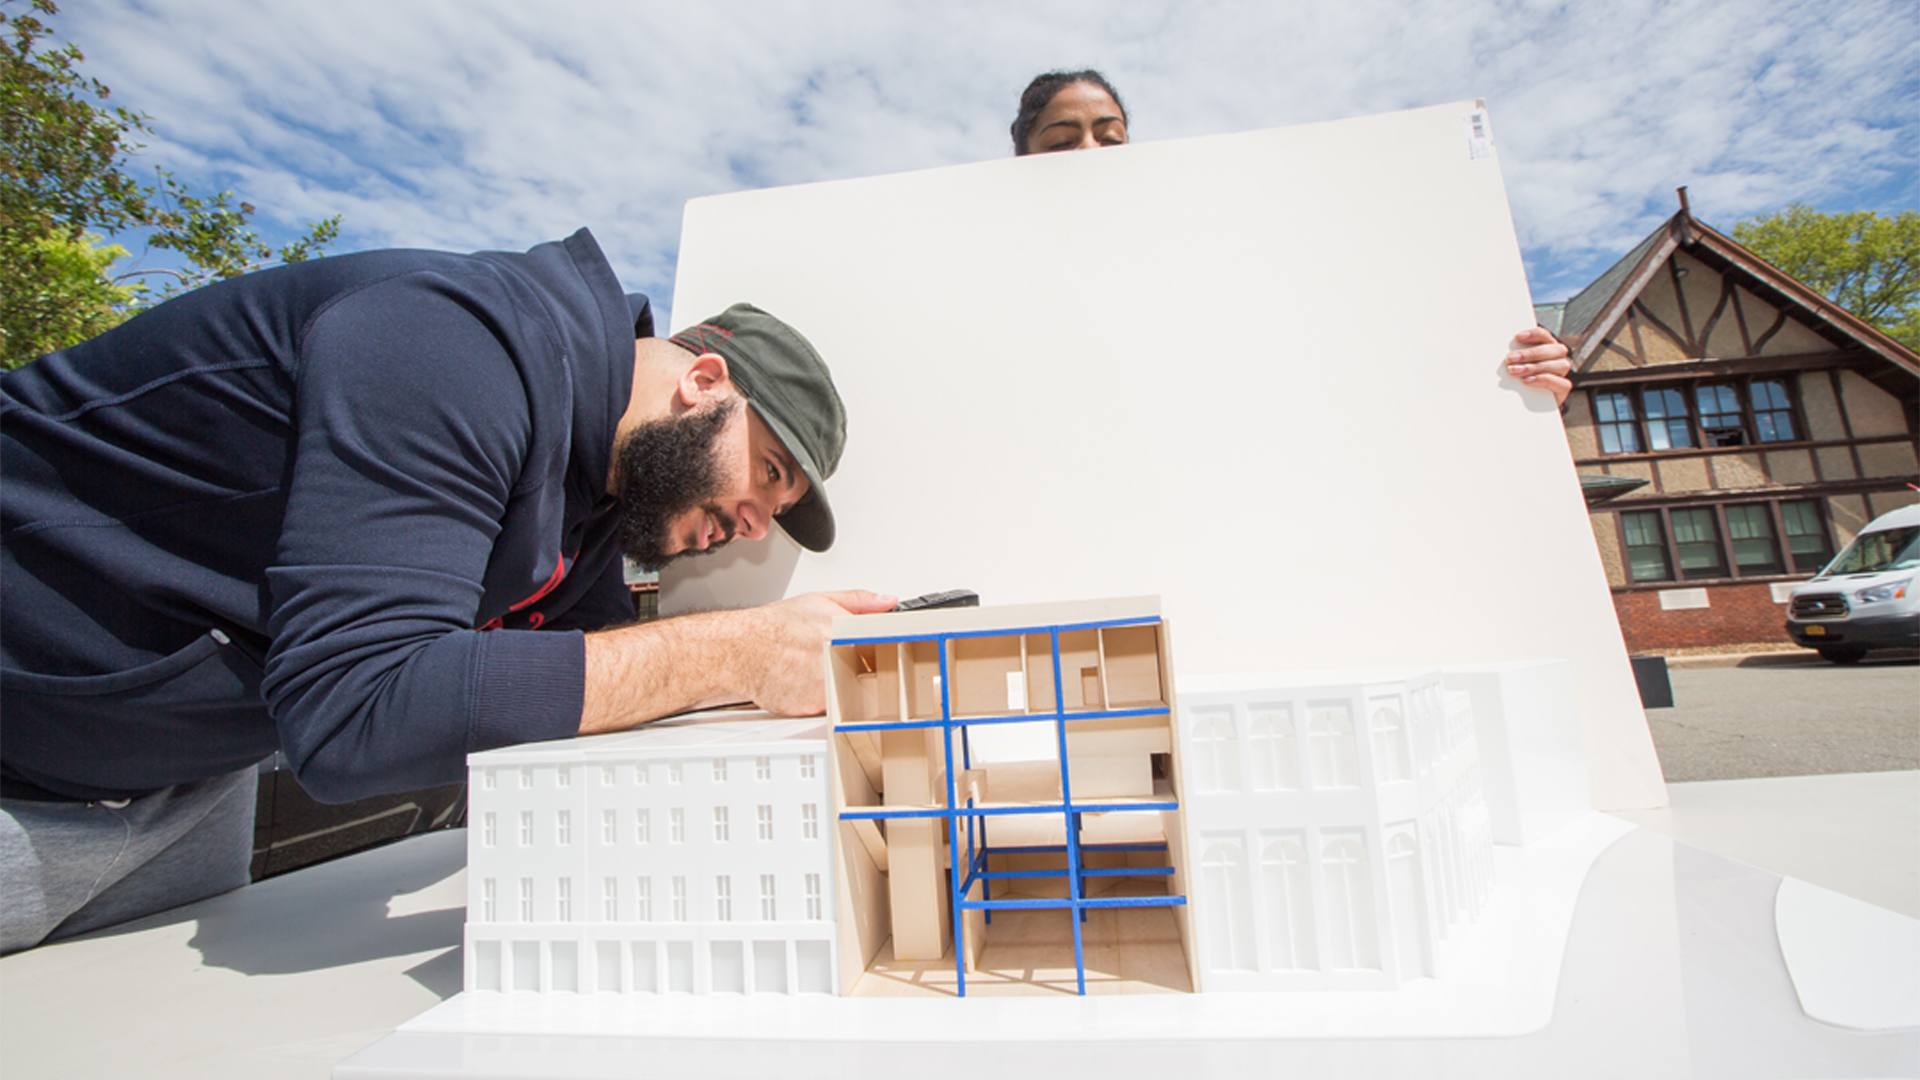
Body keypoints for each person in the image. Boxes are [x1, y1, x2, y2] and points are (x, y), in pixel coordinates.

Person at [0, 228, 895, 952]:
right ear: (703, 384)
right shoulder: (455, 344)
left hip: (184, 790)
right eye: (767, 473)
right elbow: (355, 710)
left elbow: (598, 706)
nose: (751, 524)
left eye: (773, 515)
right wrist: (736, 649)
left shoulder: (595, 509)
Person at [1009, 70, 1575, 404]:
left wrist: (1523, 386)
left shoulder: (1222, 256)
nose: (1090, 153)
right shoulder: (995, 294)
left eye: (1111, 138)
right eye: (1062, 140)